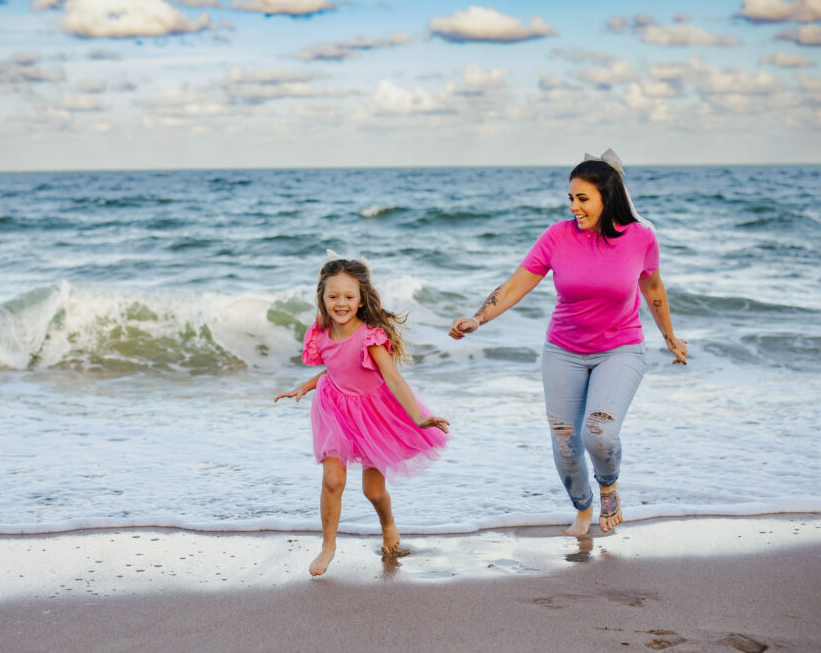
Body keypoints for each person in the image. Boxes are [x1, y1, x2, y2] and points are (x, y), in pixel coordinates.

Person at [449, 149, 687, 536]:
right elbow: (514, 286)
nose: (575, 207)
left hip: (621, 349)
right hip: (564, 350)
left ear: (607, 197)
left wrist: (670, 337)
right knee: (565, 443)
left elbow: (653, 287)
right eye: (571, 199)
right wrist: (478, 318)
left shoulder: (641, 237)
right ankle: (582, 507)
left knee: (599, 432)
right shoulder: (557, 236)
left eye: (583, 199)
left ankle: (608, 485)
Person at [275, 257, 450, 576]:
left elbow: (394, 380)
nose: (340, 303)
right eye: (333, 296)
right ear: (322, 297)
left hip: (372, 414)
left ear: (361, 298)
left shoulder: (370, 336)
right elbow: (334, 370)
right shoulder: (321, 333)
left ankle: (388, 525)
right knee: (332, 480)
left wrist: (418, 417)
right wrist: (307, 385)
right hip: (334, 408)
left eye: (348, 297)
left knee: (373, 491)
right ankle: (328, 546)